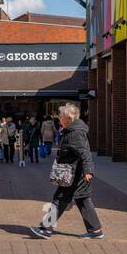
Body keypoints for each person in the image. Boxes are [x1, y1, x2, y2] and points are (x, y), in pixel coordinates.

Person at [32, 103, 103, 240]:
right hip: (76, 173)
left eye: (61, 116)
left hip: (74, 174)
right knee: (83, 199)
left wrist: (88, 170)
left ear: (68, 118)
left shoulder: (75, 133)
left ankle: (46, 229)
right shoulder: (72, 130)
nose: (59, 118)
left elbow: (85, 153)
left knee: (59, 199)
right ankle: (95, 230)